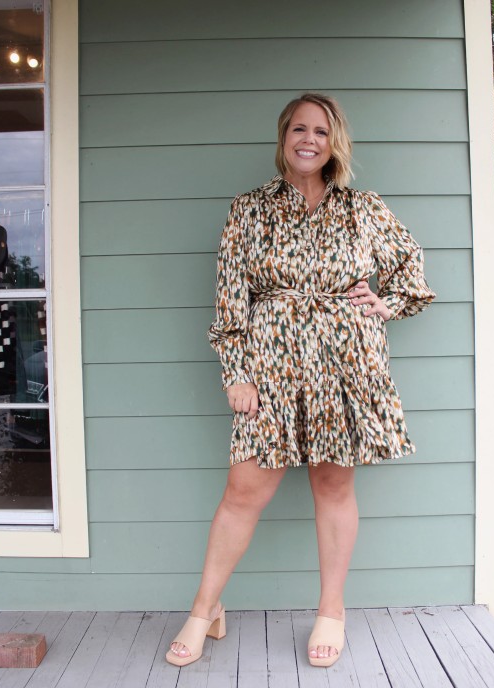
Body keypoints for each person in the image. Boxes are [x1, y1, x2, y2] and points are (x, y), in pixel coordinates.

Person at [166, 92, 436, 668]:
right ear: (283, 137)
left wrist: (384, 304)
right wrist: (236, 373)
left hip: (345, 364)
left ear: (334, 141)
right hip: (272, 363)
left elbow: (413, 269)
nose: (308, 139)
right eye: (298, 129)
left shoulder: (363, 207)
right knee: (244, 490)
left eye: (319, 130)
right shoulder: (251, 209)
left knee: (333, 487)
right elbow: (230, 302)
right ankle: (204, 608)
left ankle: (331, 611)